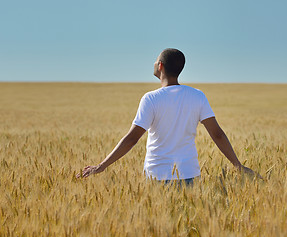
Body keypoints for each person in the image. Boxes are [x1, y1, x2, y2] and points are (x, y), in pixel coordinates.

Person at [77, 48, 259, 182]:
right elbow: (217, 134)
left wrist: (101, 166)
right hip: (190, 174)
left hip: (157, 175)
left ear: (160, 66)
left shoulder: (151, 98)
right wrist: (237, 165)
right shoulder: (197, 95)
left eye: (156, 61)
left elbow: (132, 139)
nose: (154, 64)